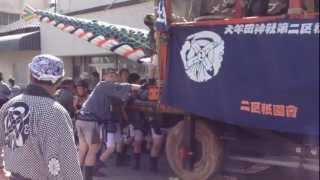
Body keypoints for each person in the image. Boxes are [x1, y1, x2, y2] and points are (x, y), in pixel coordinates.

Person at [0, 54, 82, 179]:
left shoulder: (9, 105)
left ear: (30, 74)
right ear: (59, 80)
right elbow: (67, 164)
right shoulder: (54, 111)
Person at [76, 68, 141, 180]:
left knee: (83, 150)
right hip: (91, 121)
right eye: (109, 75)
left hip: (82, 119)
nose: (112, 77)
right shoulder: (104, 85)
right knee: (92, 151)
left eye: (113, 75)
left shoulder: (103, 88)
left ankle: (74, 176)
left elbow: (120, 96)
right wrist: (141, 87)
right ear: (104, 77)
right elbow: (124, 88)